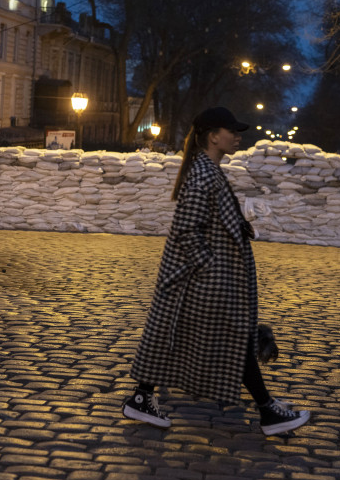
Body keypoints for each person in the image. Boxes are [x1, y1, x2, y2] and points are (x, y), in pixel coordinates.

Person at [122, 106, 310, 436]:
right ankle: (268, 411)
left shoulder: (208, 170)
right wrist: (211, 271)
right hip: (201, 281)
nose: (237, 136)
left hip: (202, 280)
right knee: (233, 339)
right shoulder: (203, 175)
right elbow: (186, 230)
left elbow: (205, 223)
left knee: (179, 339)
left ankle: (142, 397)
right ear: (212, 136)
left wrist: (237, 227)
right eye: (231, 131)